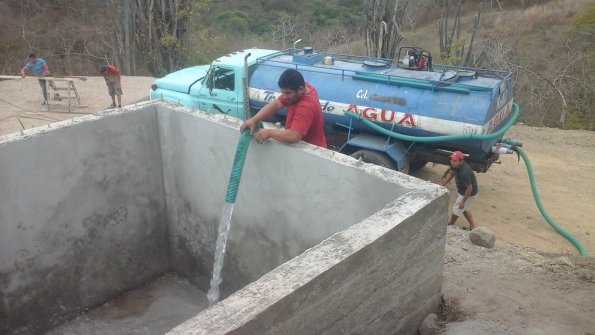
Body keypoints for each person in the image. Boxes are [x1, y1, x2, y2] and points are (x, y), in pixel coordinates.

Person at [240, 69, 327, 148]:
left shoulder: (306, 106)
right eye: (282, 92)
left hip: (312, 153)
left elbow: (293, 136)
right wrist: (254, 119)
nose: (284, 96)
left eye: (287, 93)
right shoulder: (303, 88)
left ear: (301, 89)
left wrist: (269, 132)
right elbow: (276, 104)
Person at [441, 150, 478, 230]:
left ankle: (450, 224)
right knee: (465, 209)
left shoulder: (464, 172)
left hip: (468, 192)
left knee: (457, 208)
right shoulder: (454, 165)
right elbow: (451, 173)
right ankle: (472, 226)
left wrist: (463, 201)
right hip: (464, 189)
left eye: (455, 161)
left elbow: (469, 188)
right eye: (452, 160)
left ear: (461, 161)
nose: (452, 162)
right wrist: (442, 185)